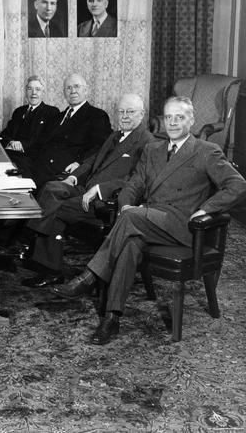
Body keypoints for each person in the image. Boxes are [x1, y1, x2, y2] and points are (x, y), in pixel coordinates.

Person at [50, 96, 246, 345]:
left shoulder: (206, 151)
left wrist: (207, 209)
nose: (173, 123)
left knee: (132, 220)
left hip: (182, 227)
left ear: (192, 120)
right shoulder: (153, 149)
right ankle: (111, 318)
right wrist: (126, 206)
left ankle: (89, 276)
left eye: (180, 117)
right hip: (146, 219)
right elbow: (134, 184)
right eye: (169, 117)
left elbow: (238, 185)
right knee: (129, 243)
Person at [21, 94, 155, 288]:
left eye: (131, 112)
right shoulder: (116, 135)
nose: (125, 116)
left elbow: (138, 181)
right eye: (121, 112)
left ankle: (46, 264)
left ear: (142, 114)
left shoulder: (147, 141)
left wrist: (100, 189)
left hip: (104, 200)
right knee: (50, 187)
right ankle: (34, 238)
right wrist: (73, 176)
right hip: (85, 187)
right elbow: (93, 159)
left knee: (56, 209)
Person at [28, 73, 112, 188]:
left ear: (86, 90)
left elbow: (100, 147)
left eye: (77, 86)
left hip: (64, 172)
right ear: (64, 93)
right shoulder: (57, 117)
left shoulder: (97, 116)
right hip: (40, 167)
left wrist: (80, 163)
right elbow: (41, 143)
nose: (72, 91)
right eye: (68, 88)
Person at [0, 75, 60, 176]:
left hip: (32, 160)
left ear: (43, 93)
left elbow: (45, 140)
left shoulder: (51, 112)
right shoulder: (19, 111)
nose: (34, 93)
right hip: (10, 155)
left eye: (38, 89)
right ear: (26, 92)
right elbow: (4, 134)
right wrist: (11, 142)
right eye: (30, 89)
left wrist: (22, 144)